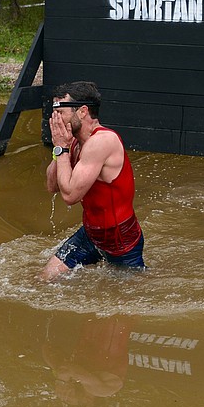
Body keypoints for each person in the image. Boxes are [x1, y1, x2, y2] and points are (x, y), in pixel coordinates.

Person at [41, 81, 145, 281]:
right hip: (90, 234)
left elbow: (70, 195)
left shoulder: (102, 141)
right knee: (45, 278)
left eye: (60, 112)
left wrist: (62, 148)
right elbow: (52, 186)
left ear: (82, 111)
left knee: (126, 301)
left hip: (120, 240)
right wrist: (59, 148)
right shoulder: (72, 141)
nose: (55, 120)